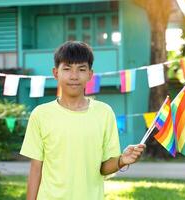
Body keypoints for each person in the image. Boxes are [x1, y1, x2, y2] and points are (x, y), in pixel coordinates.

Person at [20, 41, 146, 200]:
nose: (74, 76)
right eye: (67, 69)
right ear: (55, 73)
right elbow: (36, 169)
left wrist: (121, 160)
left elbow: (104, 168)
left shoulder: (104, 113)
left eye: (81, 69)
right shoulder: (41, 114)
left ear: (90, 74)